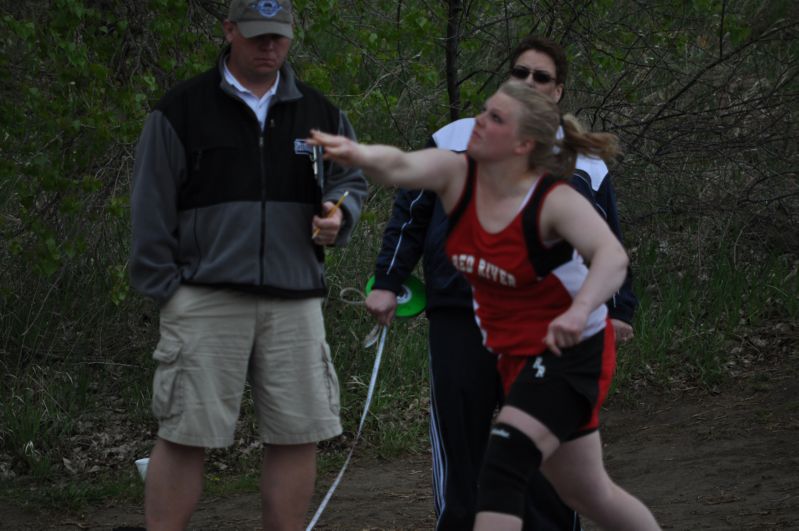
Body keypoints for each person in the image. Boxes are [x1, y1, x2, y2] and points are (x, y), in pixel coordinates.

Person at [308, 80, 660, 530]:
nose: (478, 122)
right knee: (588, 492)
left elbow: (612, 258)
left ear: (523, 144)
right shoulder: (456, 176)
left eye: (495, 118)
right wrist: (353, 154)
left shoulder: (554, 200)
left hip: (569, 354)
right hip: (514, 352)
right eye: (484, 111)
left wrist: (580, 308)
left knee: (503, 463)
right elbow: (397, 164)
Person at [129, 1, 367, 529]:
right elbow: (150, 206)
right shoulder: (181, 109)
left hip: (295, 297)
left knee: (297, 432)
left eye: (278, 36)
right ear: (229, 30)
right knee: (185, 433)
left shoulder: (320, 112)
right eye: (257, 36)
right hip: (204, 296)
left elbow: (350, 181)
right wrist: (169, 290)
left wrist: (340, 214)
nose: (269, 47)